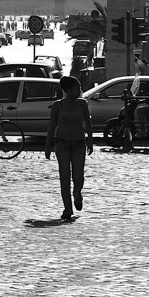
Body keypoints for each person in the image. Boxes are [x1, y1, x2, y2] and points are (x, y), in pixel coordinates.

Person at [45, 76, 94, 221]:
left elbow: (88, 123)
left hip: (79, 142)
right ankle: (67, 208)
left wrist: (90, 141)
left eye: (79, 88)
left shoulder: (82, 104)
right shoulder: (58, 106)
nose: (79, 91)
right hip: (62, 143)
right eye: (76, 88)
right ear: (68, 90)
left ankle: (77, 193)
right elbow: (52, 126)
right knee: (64, 177)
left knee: (78, 176)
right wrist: (48, 146)